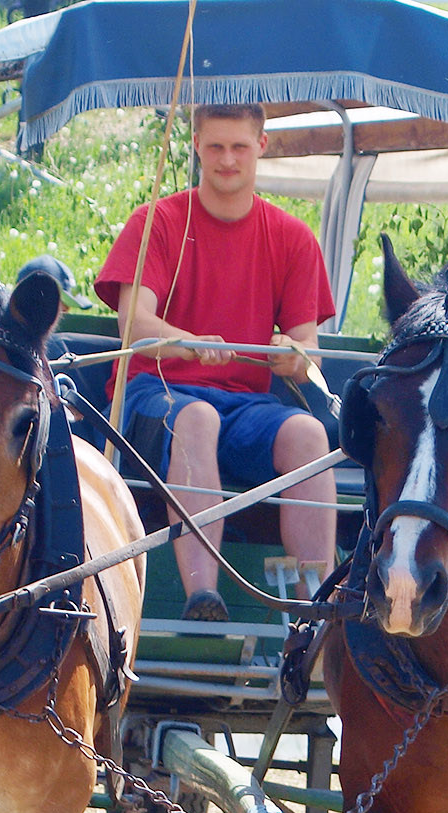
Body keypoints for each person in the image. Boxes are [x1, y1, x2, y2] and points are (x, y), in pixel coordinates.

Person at [95, 103, 337, 622]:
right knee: (196, 419)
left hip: (245, 406)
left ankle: (314, 606)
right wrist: (187, 342)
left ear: (262, 147)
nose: (227, 160)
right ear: (197, 146)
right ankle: (202, 594)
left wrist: (291, 359)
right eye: (215, 148)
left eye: (239, 147)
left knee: (310, 436)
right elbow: (134, 327)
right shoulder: (156, 222)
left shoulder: (293, 239)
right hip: (151, 395)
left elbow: (306, 349)